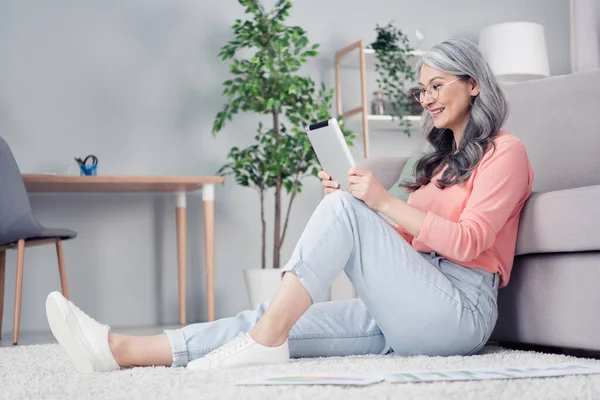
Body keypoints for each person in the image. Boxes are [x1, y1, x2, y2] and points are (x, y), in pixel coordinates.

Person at [45, 38, 533, 373]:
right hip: (410, 304)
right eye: (421, 88)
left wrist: (378, 204)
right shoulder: (436, 161)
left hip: (459, 312)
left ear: (473, 83)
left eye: (437, 85)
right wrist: (354, 206)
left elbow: (470, 241)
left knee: (287, 304)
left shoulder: (505, 152)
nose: (426, 97)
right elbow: (406, 243)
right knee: (271, 318)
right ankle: (120, 349)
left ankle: (264, 342)